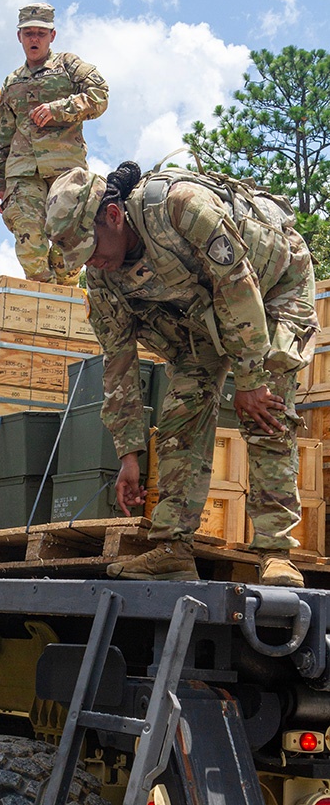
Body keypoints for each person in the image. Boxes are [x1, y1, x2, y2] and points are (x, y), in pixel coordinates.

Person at [45, 159, 319, 586]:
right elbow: (117, 362)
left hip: (272, 287)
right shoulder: (102, 281)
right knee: (181, 415)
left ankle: (275, 552)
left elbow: (238, 285)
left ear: (113, 216)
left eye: (91, 249)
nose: (91, 263)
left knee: (266, 407)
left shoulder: (180, 207)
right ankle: (172, 548)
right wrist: (128, 455)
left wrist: (249, 381)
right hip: (202, 315)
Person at [0, 3, 108, 284]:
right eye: (29, 33)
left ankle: (66, 295)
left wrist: (59, 109)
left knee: (68, 246)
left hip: (65, 171)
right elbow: (4, 137)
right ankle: (42, 299)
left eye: (40, 34)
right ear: (19, 37)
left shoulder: (69, 66)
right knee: (29, 237)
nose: (34, 39)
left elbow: (100, 95)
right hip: (22, 172)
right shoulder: (10, 83)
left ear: (52, 36)